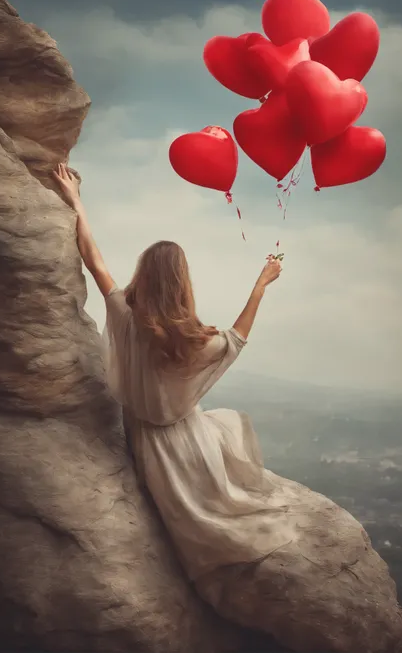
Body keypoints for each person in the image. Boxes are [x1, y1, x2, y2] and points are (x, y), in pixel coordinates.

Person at [53, 162, 293, 585]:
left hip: (147, 441)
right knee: (221, 521)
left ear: (144, 275)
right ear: (182, 283)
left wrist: (76, 200)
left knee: (186, 534)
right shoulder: (195, 340)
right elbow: (237, 339)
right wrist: (260, 286)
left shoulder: (126, 315)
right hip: (188, 441)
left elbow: (92, 258)